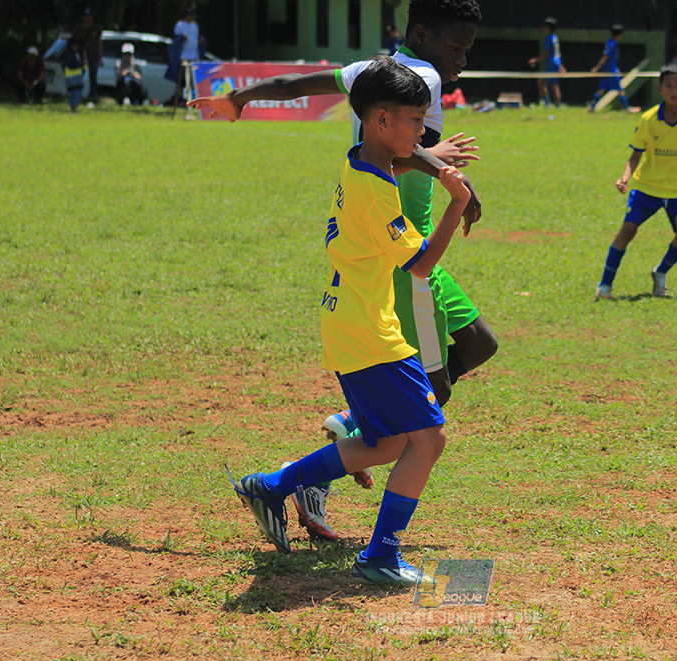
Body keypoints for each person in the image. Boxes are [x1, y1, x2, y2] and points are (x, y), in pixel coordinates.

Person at [190, 0, 496, 544]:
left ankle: (346, 433)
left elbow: (295, 84)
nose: (461, 61)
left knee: (478, 343)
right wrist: (445, 171)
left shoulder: (371, 71)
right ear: (422, 34)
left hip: (409, 248)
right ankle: (326, 464)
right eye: (456, 47)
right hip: (402, 256)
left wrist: (239, 98)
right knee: (427, 409)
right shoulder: (421, 80)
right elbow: (394, 152)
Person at [229, 56, 471, 587]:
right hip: (369, 331)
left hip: (351, 320)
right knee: (428, 440)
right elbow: (421, 265)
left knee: (387, 444)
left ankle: (271, 486)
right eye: (416, 120)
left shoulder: (362, 157)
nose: (424, 132)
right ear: (381, 119)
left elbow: (396, 161)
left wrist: (428, 163)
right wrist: (457, 202)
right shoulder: (376, 189)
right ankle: (381, 556)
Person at [595, 63, 677, 301]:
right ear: (660, 89)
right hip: (647, 187)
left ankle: (661, 272)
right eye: (668, 86)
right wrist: (625, 177)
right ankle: (605, 286)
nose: (674, 91)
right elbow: (635, 155)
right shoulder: (648, 119)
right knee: (627, 231)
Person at [588, 24, 635, 113]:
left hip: (608, 70)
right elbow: (606, 57)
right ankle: (627, 108)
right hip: (611, 71)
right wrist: (597, 67)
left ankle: (591, 107)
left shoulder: (610, 42)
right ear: (619, 34)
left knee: (602, 90)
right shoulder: (612, 44)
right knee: (620, 90)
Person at [170, 5, 204, 104]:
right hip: (184, 56)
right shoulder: (180, 25)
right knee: (182, 80)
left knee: (193, 81)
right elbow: (177, 39)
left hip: (194, 56)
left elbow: (195, 39)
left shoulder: (195, 26)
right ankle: (181, 99)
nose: (192, 17)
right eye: (190, 15)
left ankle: (193, 99)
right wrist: (181, 38)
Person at [528, 17, 563, 107]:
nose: (543, 29)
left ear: (548, 28)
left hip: (551, 64)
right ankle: (557, 105)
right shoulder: (555, 38)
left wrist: (535, 60)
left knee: (542, 83)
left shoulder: (549, 38)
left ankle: (548, 103)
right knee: (554, 84)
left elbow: (546, 54)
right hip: (556, 64)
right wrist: (561, 65)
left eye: (544, 27)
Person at [71, 7, 102, 106]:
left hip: (94, 56)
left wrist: (100, 56)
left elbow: (99, 42)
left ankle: (93, 96)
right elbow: (74, 42)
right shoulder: (78, 29)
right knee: (79, 76)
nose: (87, 18)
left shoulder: (96, 29)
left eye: (89, 16)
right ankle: (77, 95)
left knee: (93, 77)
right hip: (81, 57)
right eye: (86, 16)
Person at [62, 36, 85, 112]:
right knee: (75, 93)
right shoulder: (69, 54)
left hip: (77, 76)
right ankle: (73, 109)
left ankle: (74, 108)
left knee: (77, 93)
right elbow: (70, 64)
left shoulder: (76, 54)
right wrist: (79, 64)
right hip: (72, 77)